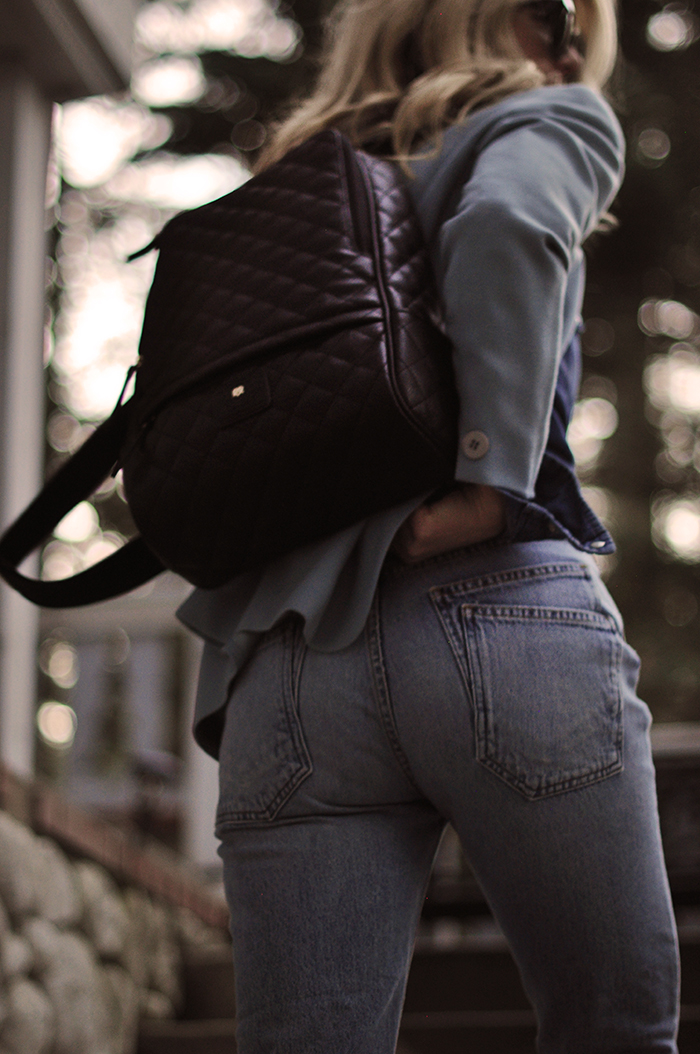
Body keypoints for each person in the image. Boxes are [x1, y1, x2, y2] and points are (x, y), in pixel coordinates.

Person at [177, 0, 681, 1050]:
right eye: (570, 28)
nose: (575, 55)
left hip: (289, 657)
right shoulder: (543, 116)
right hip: (495, 610)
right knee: (613, 1029)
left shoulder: (292, 183)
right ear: (536, 29)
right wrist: (489, 478)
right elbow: (506, 224)